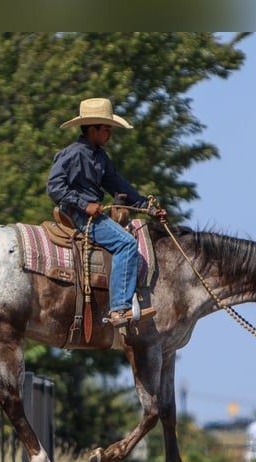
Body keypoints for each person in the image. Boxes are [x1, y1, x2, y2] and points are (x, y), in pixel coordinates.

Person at [47, 97, 167, 328]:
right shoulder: (73, 154)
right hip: (79, 214)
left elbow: (119, 186)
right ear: (93, 129)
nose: (110, 134)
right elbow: (54, 186)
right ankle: (119, 308)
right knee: (126, 243)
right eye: (106, 129)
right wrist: (84, 204)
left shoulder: (99, 156)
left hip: (89, 212)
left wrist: (148, 208)